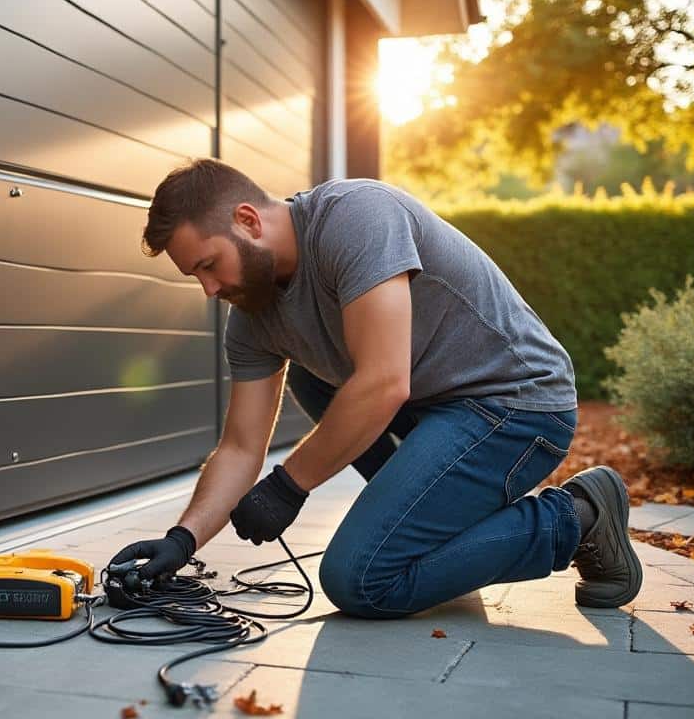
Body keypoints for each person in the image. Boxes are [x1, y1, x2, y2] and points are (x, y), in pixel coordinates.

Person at [109, 159, 641, 617]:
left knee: (360, 579)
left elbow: (386, 381)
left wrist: (288, 485)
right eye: (194, 277)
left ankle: (578, 517)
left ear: (247, 221)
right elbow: (241, 446)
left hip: (514, 405)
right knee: (322, 383)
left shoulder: (355, 216)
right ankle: (428, 528)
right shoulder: (251, 317)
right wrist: (183, 541)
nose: (209, 289)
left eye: (208, 265)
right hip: (434, 407)